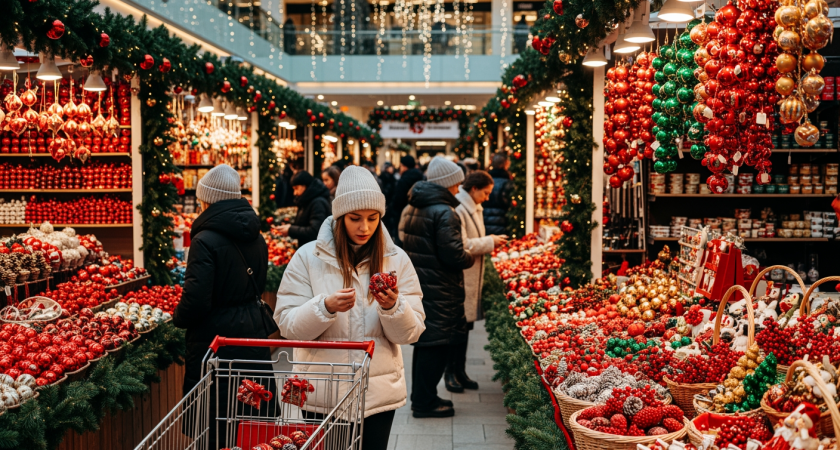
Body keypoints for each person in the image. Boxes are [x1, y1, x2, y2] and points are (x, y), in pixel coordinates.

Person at [275, 166, 426, 450]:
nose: (364, 228)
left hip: (377, 392)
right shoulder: (308, 258)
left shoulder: (396, 259)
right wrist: (324, 307)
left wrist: (394, 307)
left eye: (372, 219)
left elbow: (412, 332)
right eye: (355, 218)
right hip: (322, 393)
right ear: (340, 216)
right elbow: (287, 324)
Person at [173, 164, 278, 448]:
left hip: (215, 341)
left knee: (214, 423)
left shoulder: (204, 240)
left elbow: (196, 300)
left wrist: (178, 317)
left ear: (207, 200)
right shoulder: (257, 236)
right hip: (252, 334)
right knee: (250, 419)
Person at [399, 156, 474, 418]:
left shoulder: (412, 206)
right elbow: (453, 254)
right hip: (440, 287)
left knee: (425, 341)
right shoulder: (444, 211)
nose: (458, 188)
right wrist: (469, 255)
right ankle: (424, 402)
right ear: (446, 184)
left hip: (419, 282)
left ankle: (423, 396)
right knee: (437, 344)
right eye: (456, 183)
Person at [445, 171, 507, 392]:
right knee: (457, 329)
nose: (488, 198)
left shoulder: (475, 208)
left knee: (465, 328)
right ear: (474, 189)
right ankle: (450, 373)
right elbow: (463, 244)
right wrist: (490, 241)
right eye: (486, 193)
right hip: (463, 277)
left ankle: (460, 372)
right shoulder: (460, 209)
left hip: (472, 276)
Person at [276, 171, 331, 245]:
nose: (294, 193)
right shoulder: (306, 200)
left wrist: (290, 230)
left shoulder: (317, 203)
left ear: (305, 186)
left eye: (296, 188)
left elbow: (315, 231)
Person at [385, 155, 423, 241]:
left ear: (404, 166)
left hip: (402, 216)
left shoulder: (403, 181)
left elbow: (398, 201)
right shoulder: (421, 177)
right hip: (418, 216)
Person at [484, 152, 514, 236]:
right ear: (506, 164)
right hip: (503, 222)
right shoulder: (508, 183)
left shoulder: (485, 180)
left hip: (485, 222)